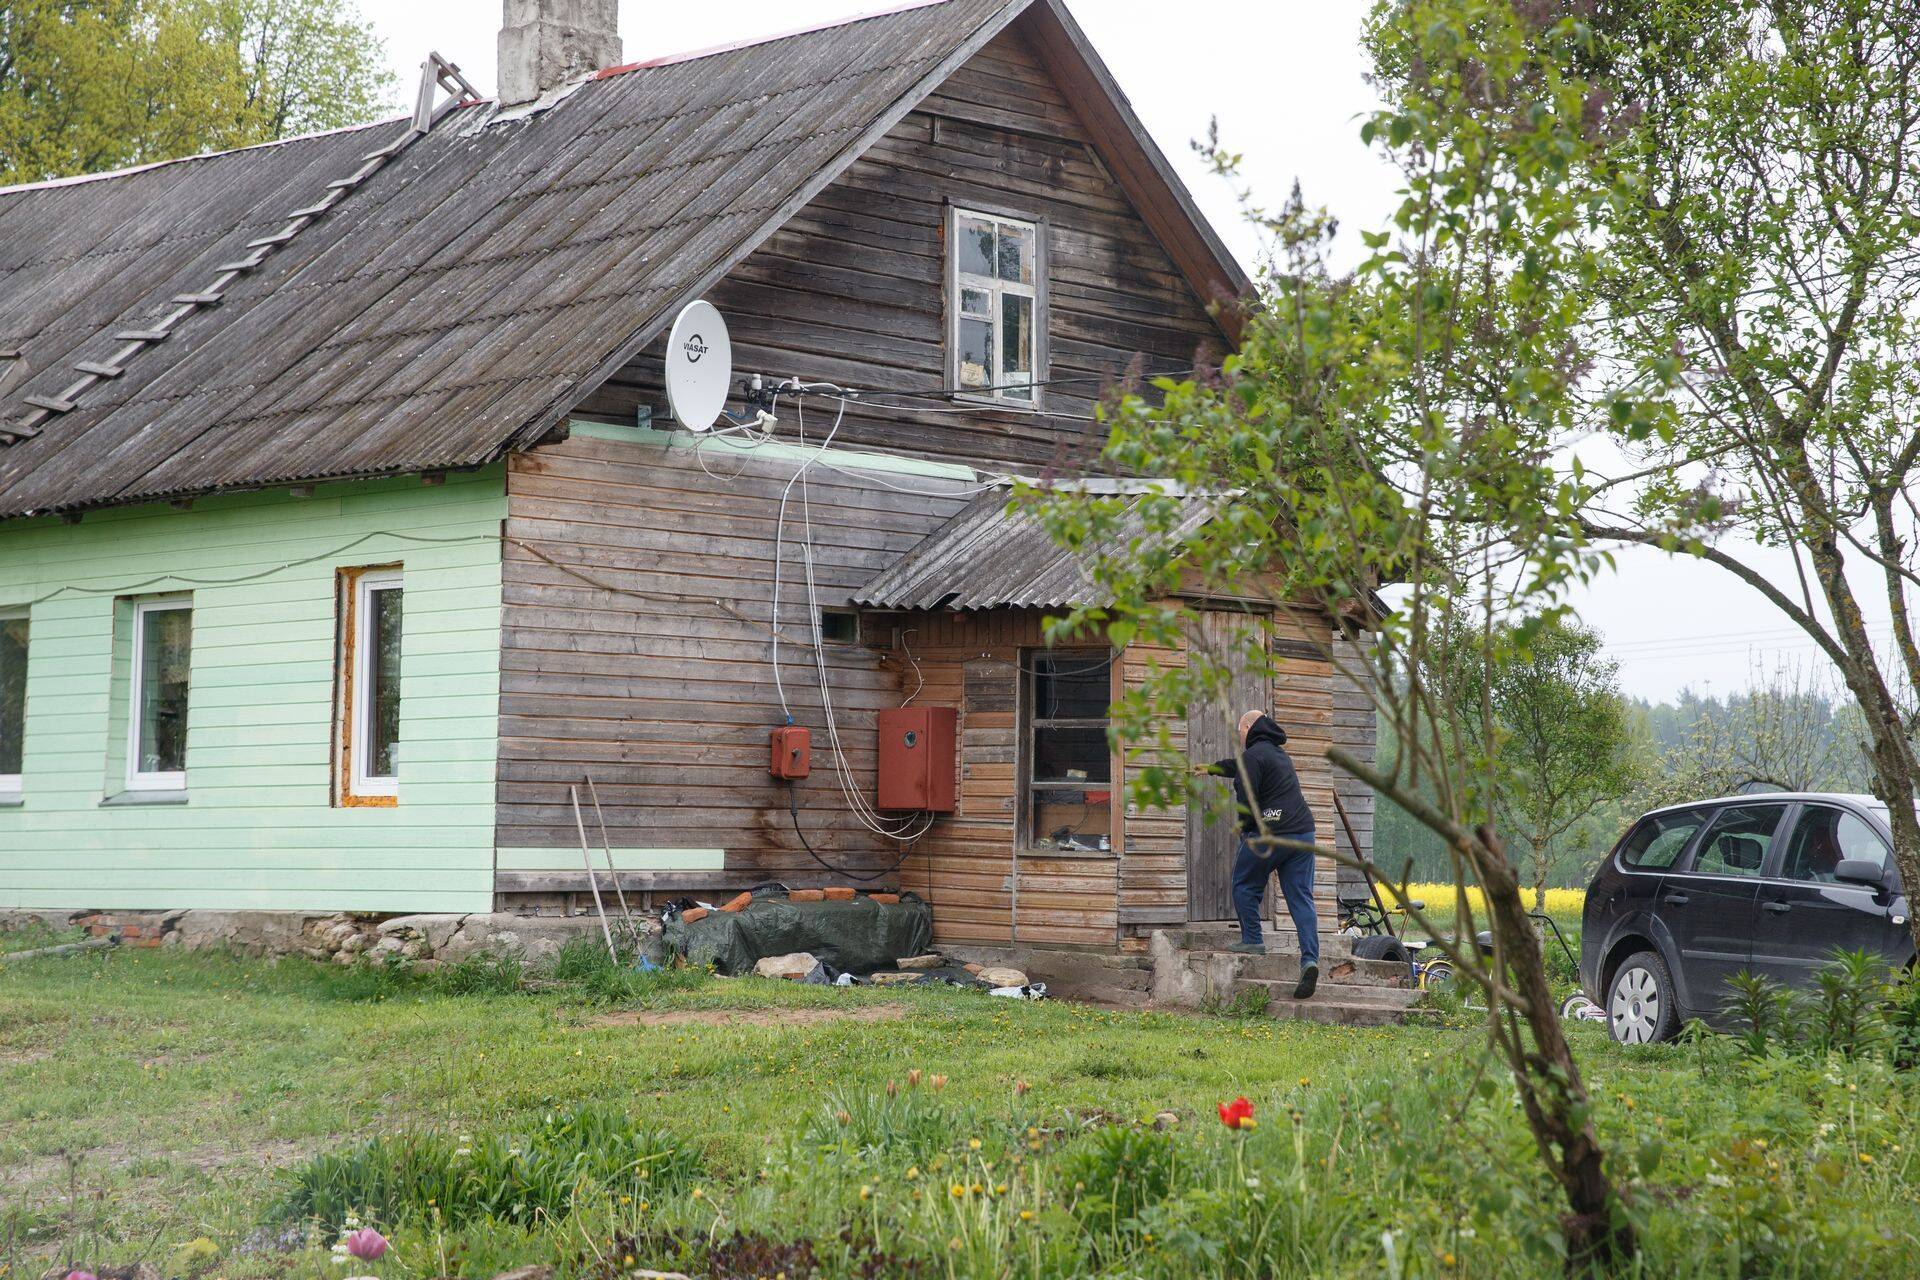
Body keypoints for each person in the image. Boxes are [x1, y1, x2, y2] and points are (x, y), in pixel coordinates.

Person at [1200, 710, 1320, 998]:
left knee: (1244, 884)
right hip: (1303, 833)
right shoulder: (1278, 755)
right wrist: (1213, 768)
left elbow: (1247, 794)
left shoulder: (1252, 756)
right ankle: (1310, 959)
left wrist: (1245, 829)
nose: (1240, 737)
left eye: (1240, 731)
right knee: (1301, 898)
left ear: (1248, 728)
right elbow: (1241, 766)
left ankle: (1253, 938)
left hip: (1272, 833)